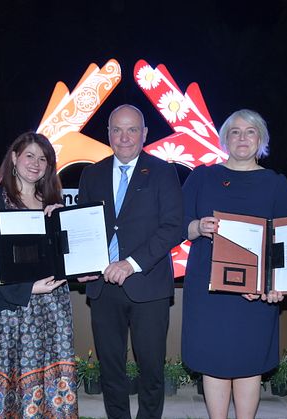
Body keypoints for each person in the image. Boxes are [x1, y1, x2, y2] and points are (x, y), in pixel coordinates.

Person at [181, 109, 287, 419]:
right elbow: (177, 224)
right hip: (209, 290)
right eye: (235, 131)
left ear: (261, 139)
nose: (242, 137)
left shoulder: (275, 183)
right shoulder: (202, 177)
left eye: (250, 131)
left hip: (254, 295)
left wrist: (271, 285)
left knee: (249, 363)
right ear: (224, 138)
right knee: (214, 361)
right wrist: (197, 227)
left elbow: (284, 241)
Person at [77, 104, 183, 419]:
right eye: (117, 130)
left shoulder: (163, 171)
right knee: (110, 369)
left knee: (151, 369)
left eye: (132, 129)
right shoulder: (91, 173)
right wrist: (81, 265)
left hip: (147, 285)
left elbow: (173, 226)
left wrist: (131, 263)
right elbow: (84, 225)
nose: (124, 137)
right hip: (102, 288)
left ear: (144, 134)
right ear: (108, 133)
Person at [0, 131, 78, 418]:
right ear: (15, 157)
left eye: (43, 158)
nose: (36, 163)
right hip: (11, 308)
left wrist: (61, 224)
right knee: (7, 387)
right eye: (29, 155)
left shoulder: (51, 201)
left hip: (52, 308)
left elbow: (63, 258)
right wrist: (29, 289)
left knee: (50, 386)